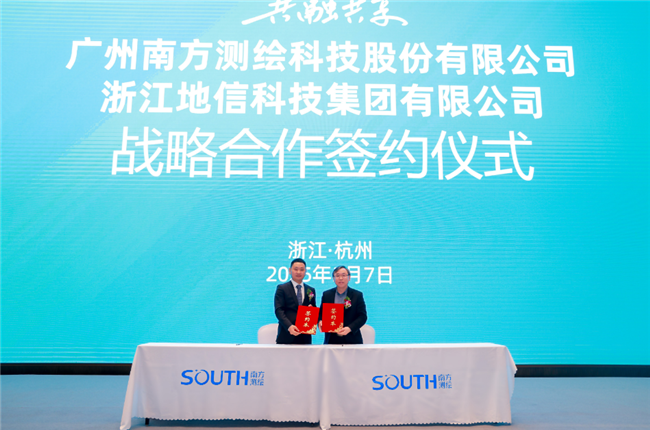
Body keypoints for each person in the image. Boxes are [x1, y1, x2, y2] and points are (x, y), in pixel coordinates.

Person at [319, 266, 367, 344]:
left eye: (344, 275)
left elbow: (362, 316)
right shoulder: (327, 295)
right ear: (333, 278)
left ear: (349, 278)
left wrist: (349, 328)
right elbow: (321, 313)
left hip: (352, 339)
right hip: (331, 340)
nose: (340, 278)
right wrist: (320, 321)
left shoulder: (357, 295)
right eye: (337, 275)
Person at [274, 258, 317, 344]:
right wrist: (289, 326)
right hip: (286, 335)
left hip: (305, 337)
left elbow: (313, 309)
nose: (298, 272)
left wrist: (312, 311)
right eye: (296, 269)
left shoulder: (311, 290)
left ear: (305, 271)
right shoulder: (282, 288)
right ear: (290, 271)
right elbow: (279, 310)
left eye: (302, 269)